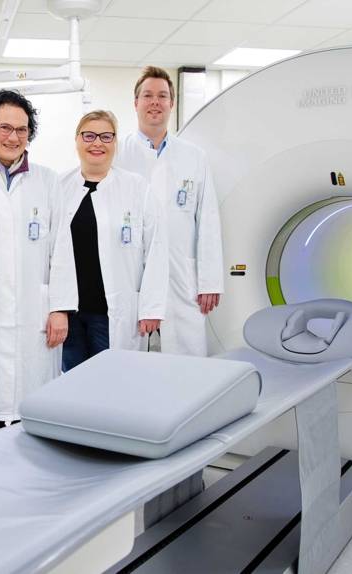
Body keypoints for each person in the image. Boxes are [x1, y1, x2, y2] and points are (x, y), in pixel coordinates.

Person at [0, 90, 78, 436]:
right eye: (5, 128)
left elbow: (62, 248)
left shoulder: (48, 180)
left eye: (22, 130)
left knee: (35, 405)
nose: (14, 137)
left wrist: (60, 309)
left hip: (34, 313)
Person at [115, 66, 224, 357]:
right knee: (130, 357)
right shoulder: (117, 154)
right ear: (135, 102)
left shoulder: (194, 156)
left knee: (186, 356)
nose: (155, 102)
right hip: (131, 271)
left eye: (162, 96)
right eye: (147, 95)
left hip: (180, 274)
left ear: (172, 103)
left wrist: (209, 280)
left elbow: (208, 219)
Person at [60, 110, 168, 370]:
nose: (97, 143)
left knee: (113, 379)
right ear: (77, 140)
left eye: (106, 136)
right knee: (71, 382)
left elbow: (156, 249)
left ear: (115, 143)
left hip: (112, 312)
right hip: (69, 313)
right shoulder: (60, 186)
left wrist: (151, 309)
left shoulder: (136, 187)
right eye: (89, 135)